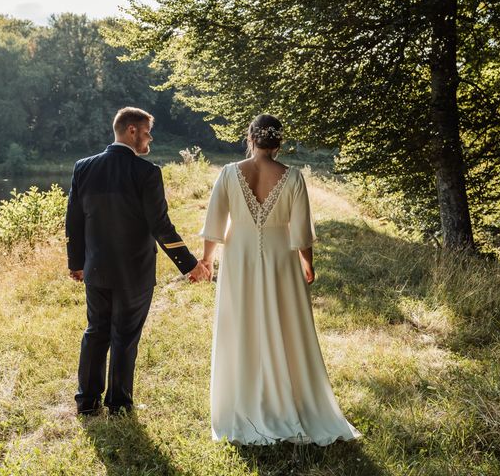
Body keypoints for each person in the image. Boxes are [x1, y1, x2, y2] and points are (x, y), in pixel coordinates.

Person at [199, 114, 361, 445]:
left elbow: (214, 222)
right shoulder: (294, 177)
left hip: (239, 256)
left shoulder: (229, 173)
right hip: (281, 257)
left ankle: (242, 402)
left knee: (241, 324)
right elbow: (301, 233)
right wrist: (307, 264)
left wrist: (207, 261)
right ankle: (287, 400)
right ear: (279, 142)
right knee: (286, 325)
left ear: (250, 138)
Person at [65, 107, 209, 416]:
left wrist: (76, 263)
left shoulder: (83, 168)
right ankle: (118, 404)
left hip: (97, 269)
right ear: (132, 131)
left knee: (96, 331)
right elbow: (161, 226)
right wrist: (190, 264)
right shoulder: (147, 172)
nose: (150, 138)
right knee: (125, 336)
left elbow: (73, 222)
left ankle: (86, 402)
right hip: (134, 271)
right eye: (147, 132)